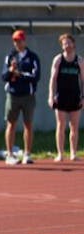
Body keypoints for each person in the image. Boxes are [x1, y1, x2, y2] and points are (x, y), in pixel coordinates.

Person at [2, 29, 41, 165]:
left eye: (20, 40)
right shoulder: (10, 56)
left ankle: (27, 154)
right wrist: (11, 71)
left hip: (28, 96)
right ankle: (10, 154)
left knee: (28, 124)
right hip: (12, 95)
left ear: (25, 41)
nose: (17, 43)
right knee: (11, 124)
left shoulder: (32, 57)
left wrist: (20, 74)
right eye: (15, 41)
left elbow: (36, 77)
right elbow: (4, 76)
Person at [48, 33, 83, 162]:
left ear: (73, 44)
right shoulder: (58, 60)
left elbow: (83, 80)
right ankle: (60, 153)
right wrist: (51, 96)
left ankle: (73, 153)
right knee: (61, 125)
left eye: (68, 43)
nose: (67, 45)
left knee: (74, 126)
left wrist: (83, 97)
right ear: (62, 46)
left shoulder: (79, 61)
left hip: (75, 97)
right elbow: (53, 79)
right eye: (64, 43)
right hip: (61, 97)